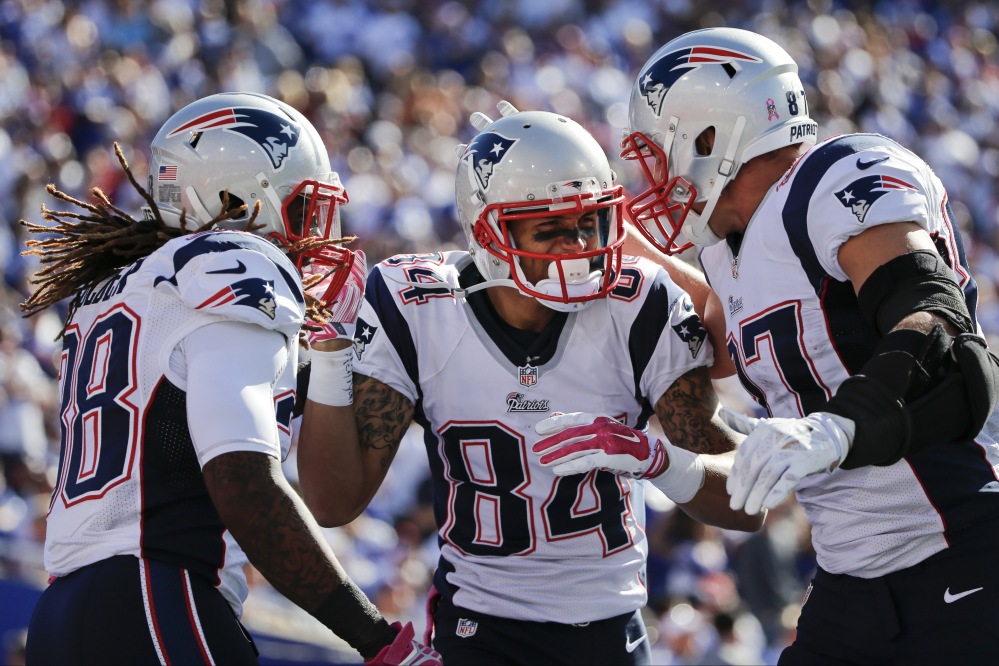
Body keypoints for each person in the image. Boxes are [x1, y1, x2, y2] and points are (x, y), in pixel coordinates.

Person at [297, 101, 761, 665]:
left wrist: (655, 459)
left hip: (610, 628)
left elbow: (746, 505)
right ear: (487, 234)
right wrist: (330, 354)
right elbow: (332, 501)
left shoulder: (637, 302)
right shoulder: (417, 306)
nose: (580, 248)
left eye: (590, 222)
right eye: (551, 230)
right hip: (480, 629)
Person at [19, 92, 439, 666]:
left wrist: (332, 353)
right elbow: (242, 481)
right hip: (153, 596)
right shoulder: (234, 263)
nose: (318, 235)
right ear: (233, 199)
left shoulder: (124, 285)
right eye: (303, 210)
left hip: (64, 611)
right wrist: (377, 639)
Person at [622, 27, 999, 664]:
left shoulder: (832, 177)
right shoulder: (728, 250)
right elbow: (719, 329)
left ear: (711, 138)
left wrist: (838, 429)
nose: (657, 176)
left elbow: (936, 321)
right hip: (852, 579)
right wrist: (623, 252)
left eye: (661, 151)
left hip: (960, 545)